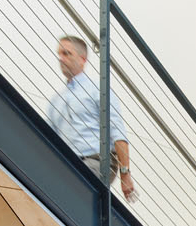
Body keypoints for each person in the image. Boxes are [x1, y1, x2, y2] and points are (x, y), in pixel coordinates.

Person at [47, 35, 136, 201]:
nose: (61, 58)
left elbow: (118, 132)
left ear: (82, 59)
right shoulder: (56, 101)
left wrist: (125, 174)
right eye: (59, 54)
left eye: (67, 54)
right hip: (67, 163)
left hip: (97, 161)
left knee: (72, 185)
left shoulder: (98, 90)